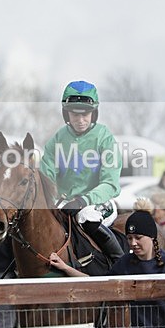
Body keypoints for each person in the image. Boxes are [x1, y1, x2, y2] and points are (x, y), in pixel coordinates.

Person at [40, 80, 124, 261]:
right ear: (66, 114)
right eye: (75, 114)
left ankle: (119, 261)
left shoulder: (104, 137)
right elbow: (46, 177)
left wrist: (82, 200)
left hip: (97, 203)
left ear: (94, 114)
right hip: (65, 202)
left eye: (86, 114)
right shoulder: (58, 139)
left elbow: (111, 184)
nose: (80, 120)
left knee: (86, 216)